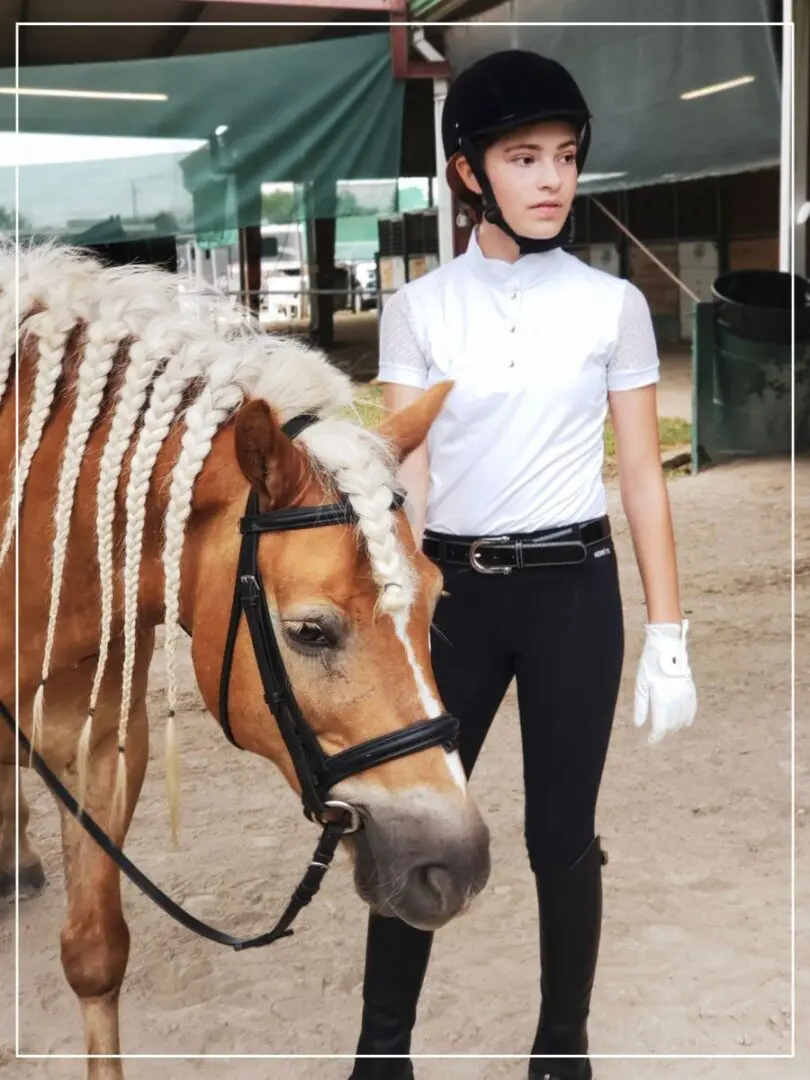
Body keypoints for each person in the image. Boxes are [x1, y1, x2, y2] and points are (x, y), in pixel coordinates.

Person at [347, 50, 698, 1080]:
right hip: (452, 600)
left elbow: (640, 477)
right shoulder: (418, 310)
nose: (551, 179)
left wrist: (669, 634)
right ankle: (381, 1050)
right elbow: (396, 475)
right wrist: (384, 618)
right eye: (523, 157)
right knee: (414, 824)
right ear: (470, 171)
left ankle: (562, 1045)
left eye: (566, 157)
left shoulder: (612, 306)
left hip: (572, 596)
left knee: (561, 836)